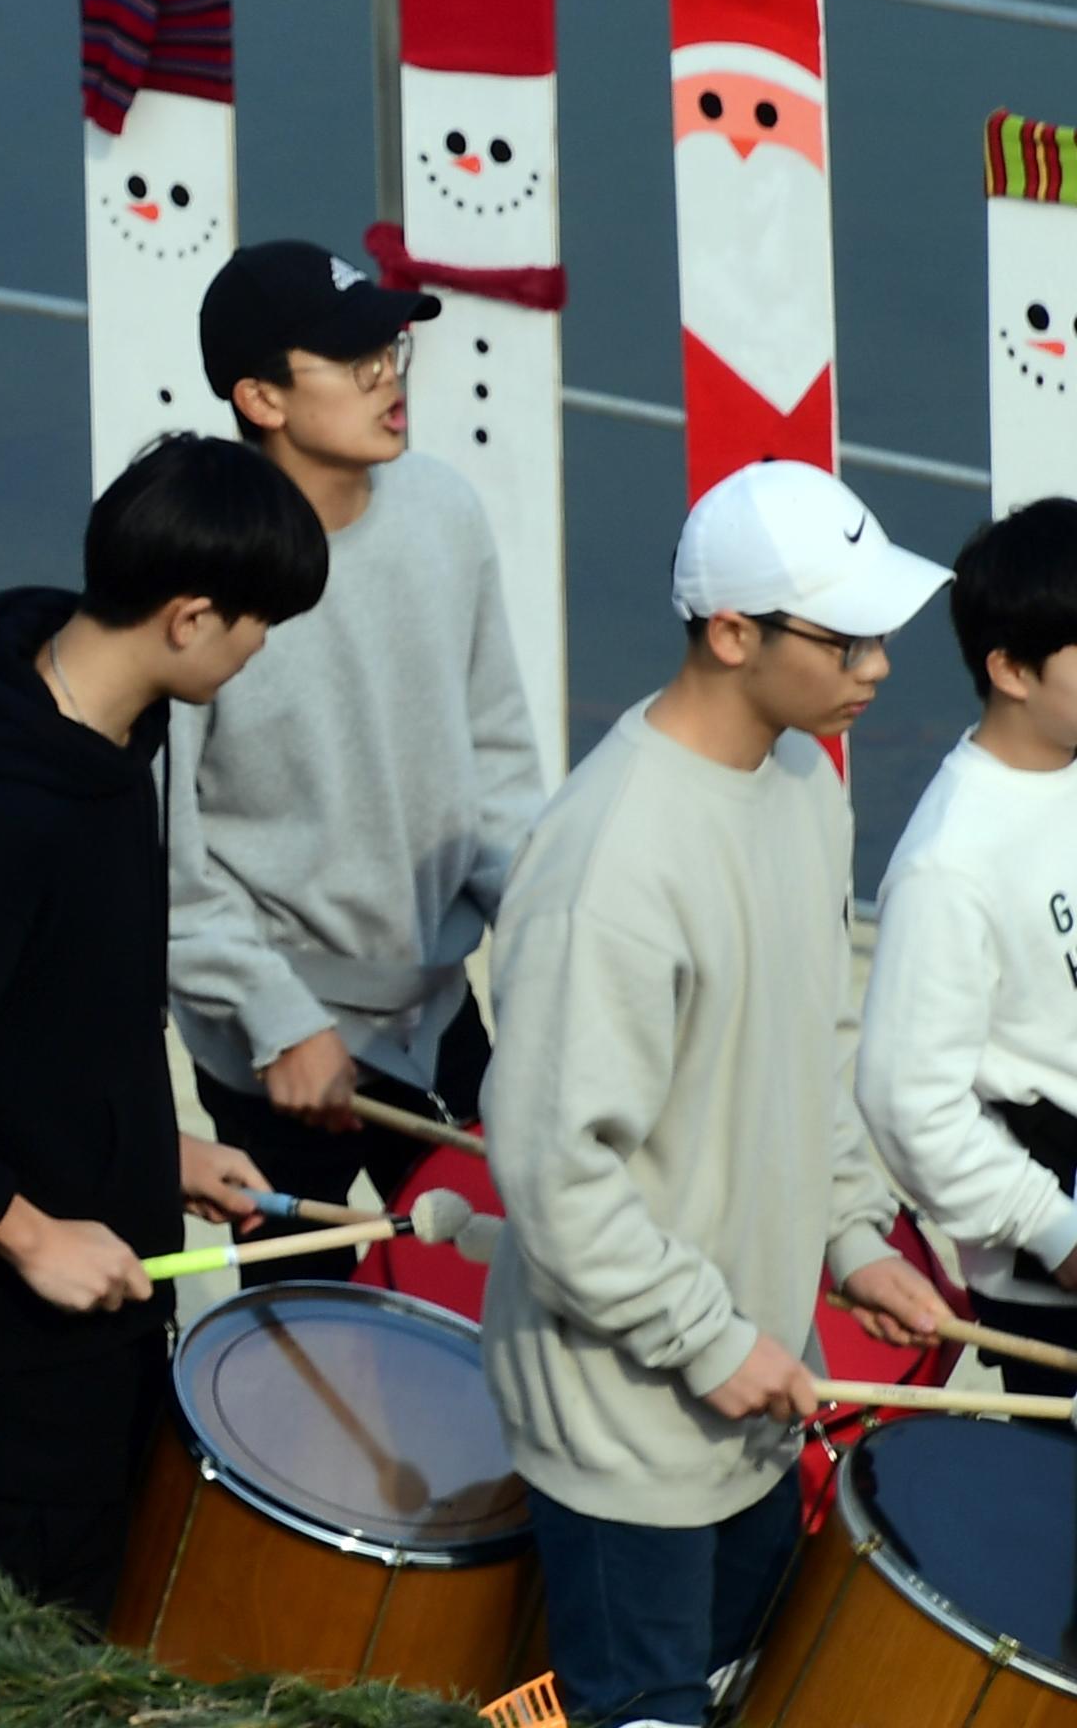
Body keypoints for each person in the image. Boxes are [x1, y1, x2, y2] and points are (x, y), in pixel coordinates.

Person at [0, 435, 315, 1626]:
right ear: (189, 616)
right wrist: (29, 1235)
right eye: (255, 624)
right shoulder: (4, 820)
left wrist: (156, 1151)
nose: (259, 650)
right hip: (5, 1332)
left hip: (96, 1280)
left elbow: (61, 1014)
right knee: (48, 1635)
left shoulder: (110, 734)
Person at [482, 459, 957, 1728]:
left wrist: (852, 1234)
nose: (879, 666)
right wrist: (706, 1332)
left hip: (752, 1379)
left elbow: (816, 1042)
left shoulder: (803, 780)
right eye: (848, 637)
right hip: (628, 1411)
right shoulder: (611, 860)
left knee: (747, 1677)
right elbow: (551, 1170)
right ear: (733, 633)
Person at [168, 241, 546, 1280]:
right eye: (352, 358)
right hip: (272, 1041)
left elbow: (502, 757)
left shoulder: (443, 511)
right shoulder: (189, 565)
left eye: (390, 346)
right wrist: (278, 1019)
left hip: (439, 1008)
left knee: (504, 1294)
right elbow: (163, 858)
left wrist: (553, 932)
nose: (388, 371)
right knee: (303, 1351)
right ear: (260, 396)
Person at [860, 495, 1077, 1392]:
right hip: (1056, 1285)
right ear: (1012, 670)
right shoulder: (950, 862)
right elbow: (908, 1103)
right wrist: (1056, 1232)